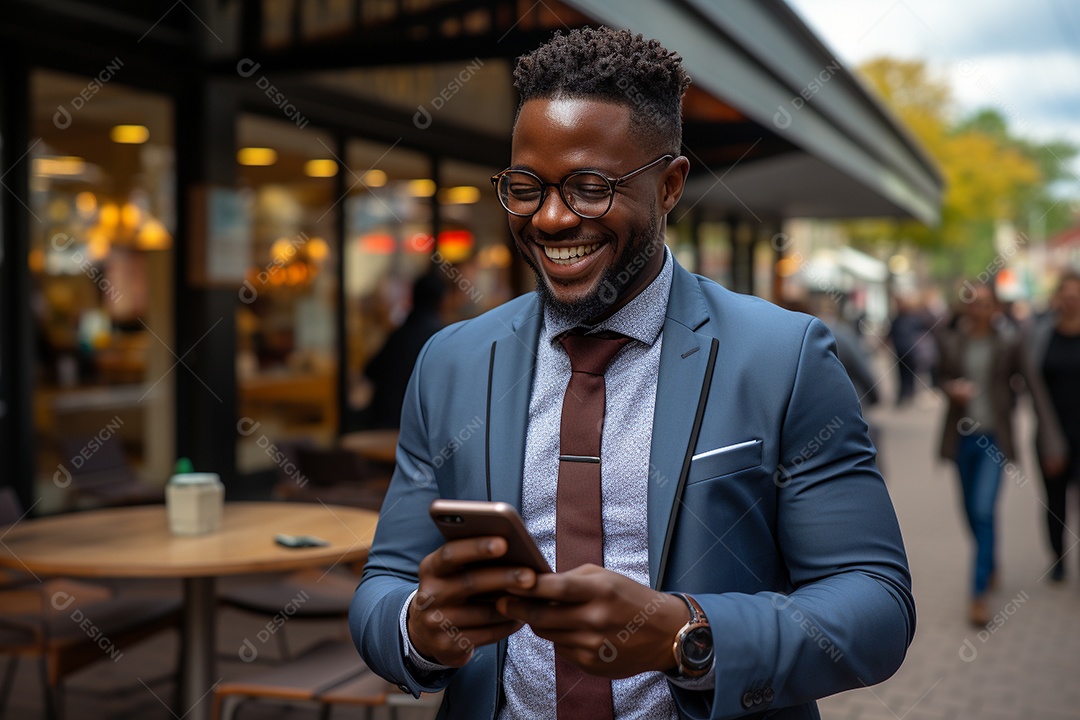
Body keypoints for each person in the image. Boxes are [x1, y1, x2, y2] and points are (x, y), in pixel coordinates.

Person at [350, 27, 914, 719]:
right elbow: (384, 585)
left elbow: (874, 604)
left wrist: (686, 634)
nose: (552, 219)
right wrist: (419, 626)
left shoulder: (783, 356)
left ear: (670, 184)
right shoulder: (452, 362)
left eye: (590, 188)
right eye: (525, 187)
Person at [936, 281, 1065, 626]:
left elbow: (1035, 389)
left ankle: (977, 594)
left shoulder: (1009, 342)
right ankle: (989, 561)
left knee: (983, 509)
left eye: (985, 304)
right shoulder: (952, 341)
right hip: (961, 439)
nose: (978, 309)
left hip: (993, 439)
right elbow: (940, 377)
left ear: (995, 308)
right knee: (969, 512)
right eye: (972, 303)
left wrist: (1051, 439)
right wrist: (952, 389)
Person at [1029, 271, 1080, 581]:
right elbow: (1031, 385)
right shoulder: (1041, 335)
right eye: (1067, 295)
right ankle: (1058, 558)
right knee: (1055, 501)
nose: (1071, 301)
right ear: (1057, 299)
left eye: (1077, 296)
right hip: (1051, 433)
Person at [362, 272, 446, 428]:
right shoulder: (440, 339)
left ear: (412, 298)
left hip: (384, 421)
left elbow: (370, 370)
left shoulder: (399, 334)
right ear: (442, 302)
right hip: (412, 429)